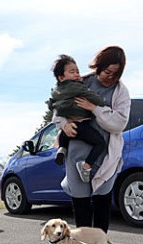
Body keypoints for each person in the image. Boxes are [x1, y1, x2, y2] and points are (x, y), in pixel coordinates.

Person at [52, 46, 131, 233]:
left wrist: (94, 108)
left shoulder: (121, 91)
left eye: (115, 73)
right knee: (81, 203)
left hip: (104, 154)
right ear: (98, 67)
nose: (110, 77)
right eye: (107, 71)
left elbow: (119, 123)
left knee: (102, 202)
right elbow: (59, 106)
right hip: (77, 153)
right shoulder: (82, 82)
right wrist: (64, 124)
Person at [46, 54, 106, 183]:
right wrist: (99, 102)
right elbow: (96, 99)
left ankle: (62, 148)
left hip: (67, 129)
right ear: (61, 77)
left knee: (63, 135)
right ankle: (86, 166)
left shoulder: (56, 90)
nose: (77, 74)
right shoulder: (78, 87)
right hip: (81, 125)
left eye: (77, 71)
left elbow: (52, 107)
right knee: (100, 143)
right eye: (72, 72)